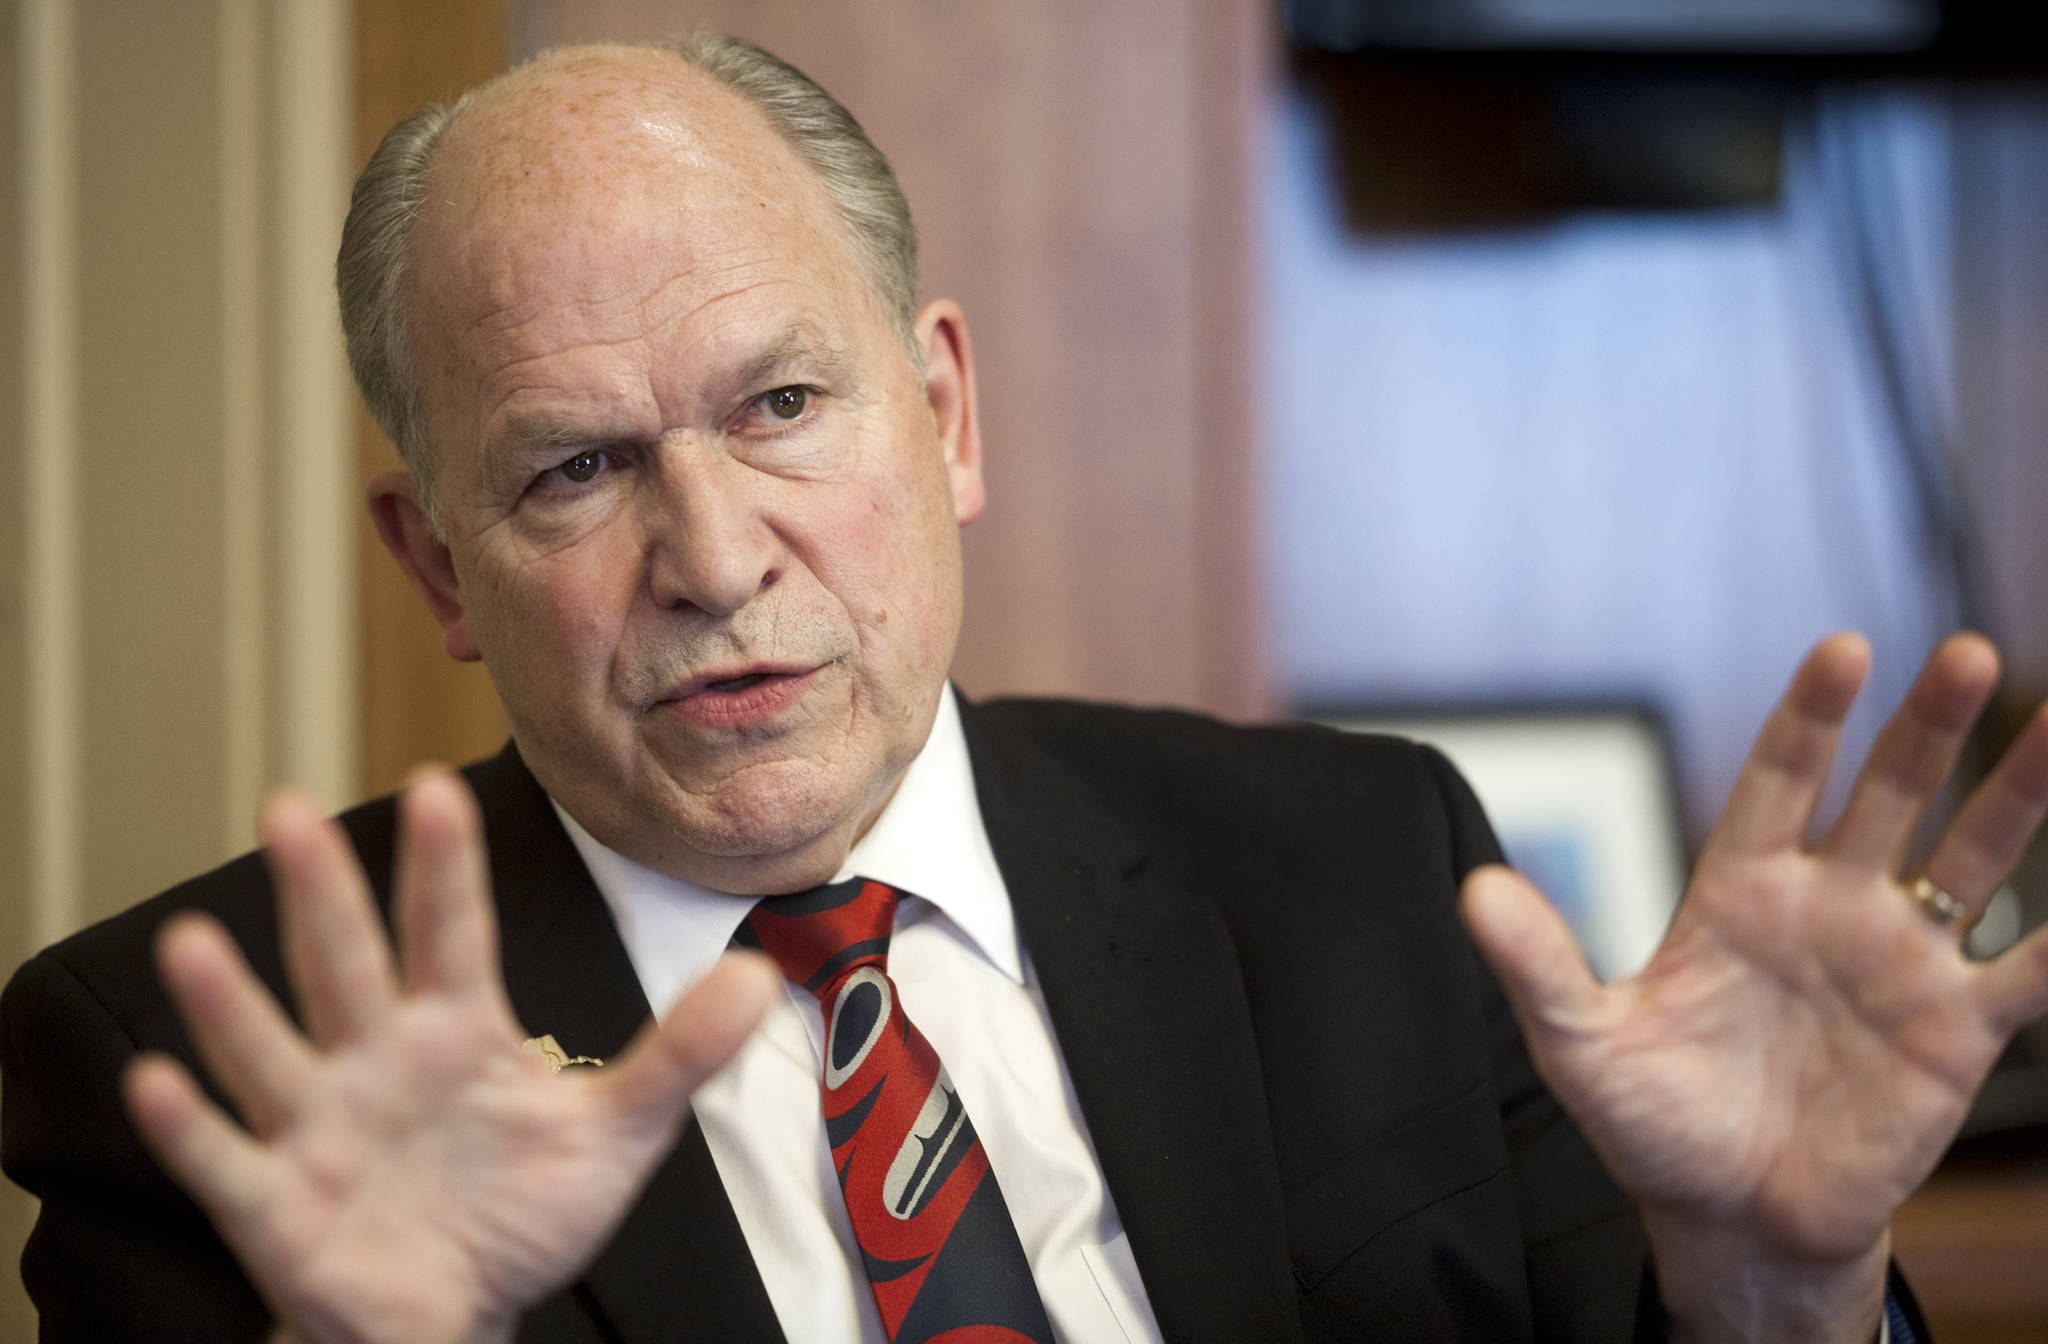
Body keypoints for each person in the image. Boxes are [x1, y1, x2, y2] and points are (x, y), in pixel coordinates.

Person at [5, 32, 2047, 1344]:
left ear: (946, 416)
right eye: (575, 470)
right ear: (441, 567)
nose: (713, 559)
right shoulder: (218, 1067)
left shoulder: (1362, 866)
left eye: (782, 406)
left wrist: (1778, 1278)